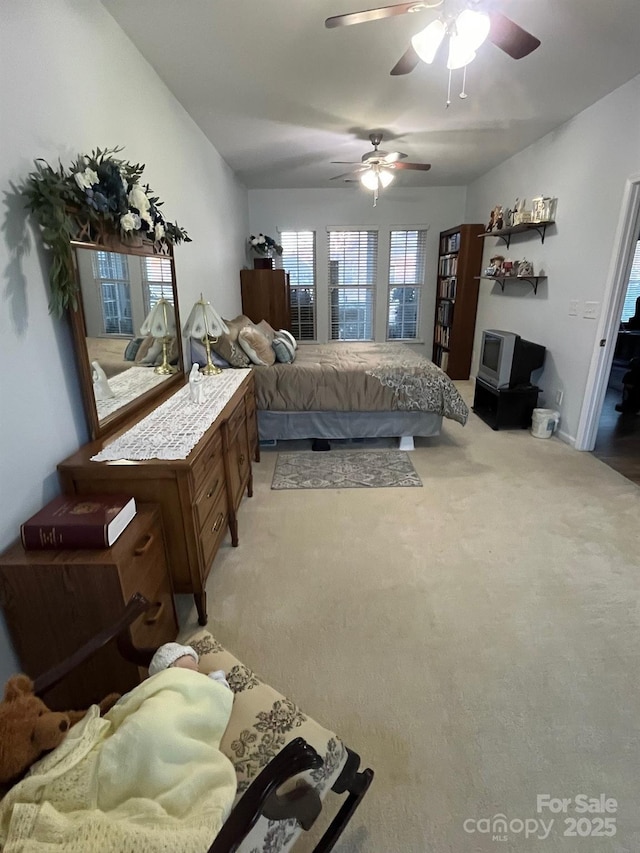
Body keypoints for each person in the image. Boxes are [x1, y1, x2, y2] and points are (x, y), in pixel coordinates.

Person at [148, 642, 231, 690]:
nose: (197, 666)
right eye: (192, 660)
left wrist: (215, 677)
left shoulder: (198, 680)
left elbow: (220, 692)